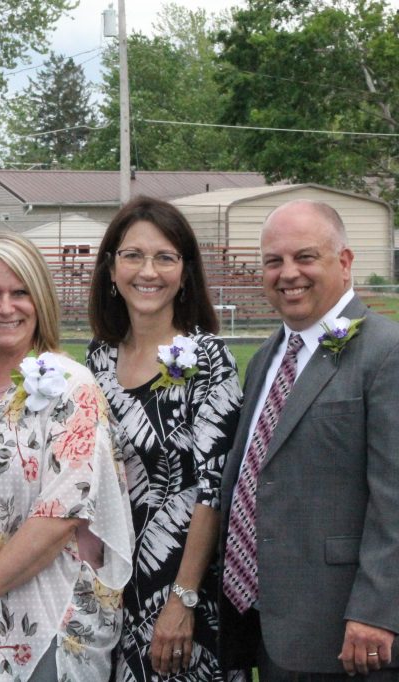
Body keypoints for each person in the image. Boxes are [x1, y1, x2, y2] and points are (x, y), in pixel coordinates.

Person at [0, 232, 134, 681]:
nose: (5, 307)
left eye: (20, 293)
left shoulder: (71, 388)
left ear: (40, 300)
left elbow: (61, 513)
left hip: (45, 622)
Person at [218, 200, 399, 681]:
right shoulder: (263, 360)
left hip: (351, 634)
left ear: (344, 262)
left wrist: (377, 610)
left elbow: (395, 497)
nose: (287, 273)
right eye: (273, 261)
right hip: (272, 628)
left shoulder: (386, 352)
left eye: (305, 257)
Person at [84, 197, 245, 681]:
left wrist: (183, 598)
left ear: (185, 272)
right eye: (132, 255)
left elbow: (212, 489)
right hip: (110, 594)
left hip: (182, 599)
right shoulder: (96, 363)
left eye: (165, 257)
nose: (147, 271)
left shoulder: (210, 362)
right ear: (111, 270)